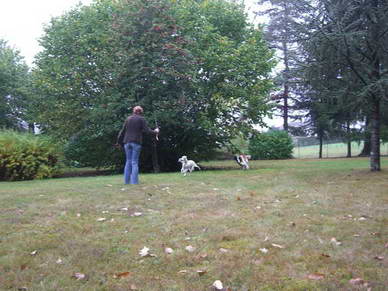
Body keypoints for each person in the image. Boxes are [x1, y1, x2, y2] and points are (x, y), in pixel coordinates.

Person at [116, 106, 159, 184]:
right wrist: (155, 131)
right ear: (141, 112)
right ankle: (134, 182)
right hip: (136, 142)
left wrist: (118, 142)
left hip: (126, 142)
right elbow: (147, 131)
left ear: (134, 111)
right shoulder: (141, 119)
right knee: (134, 162)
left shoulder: (128, 119)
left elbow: (122, 131)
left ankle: (126, 182)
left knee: (128, 161)